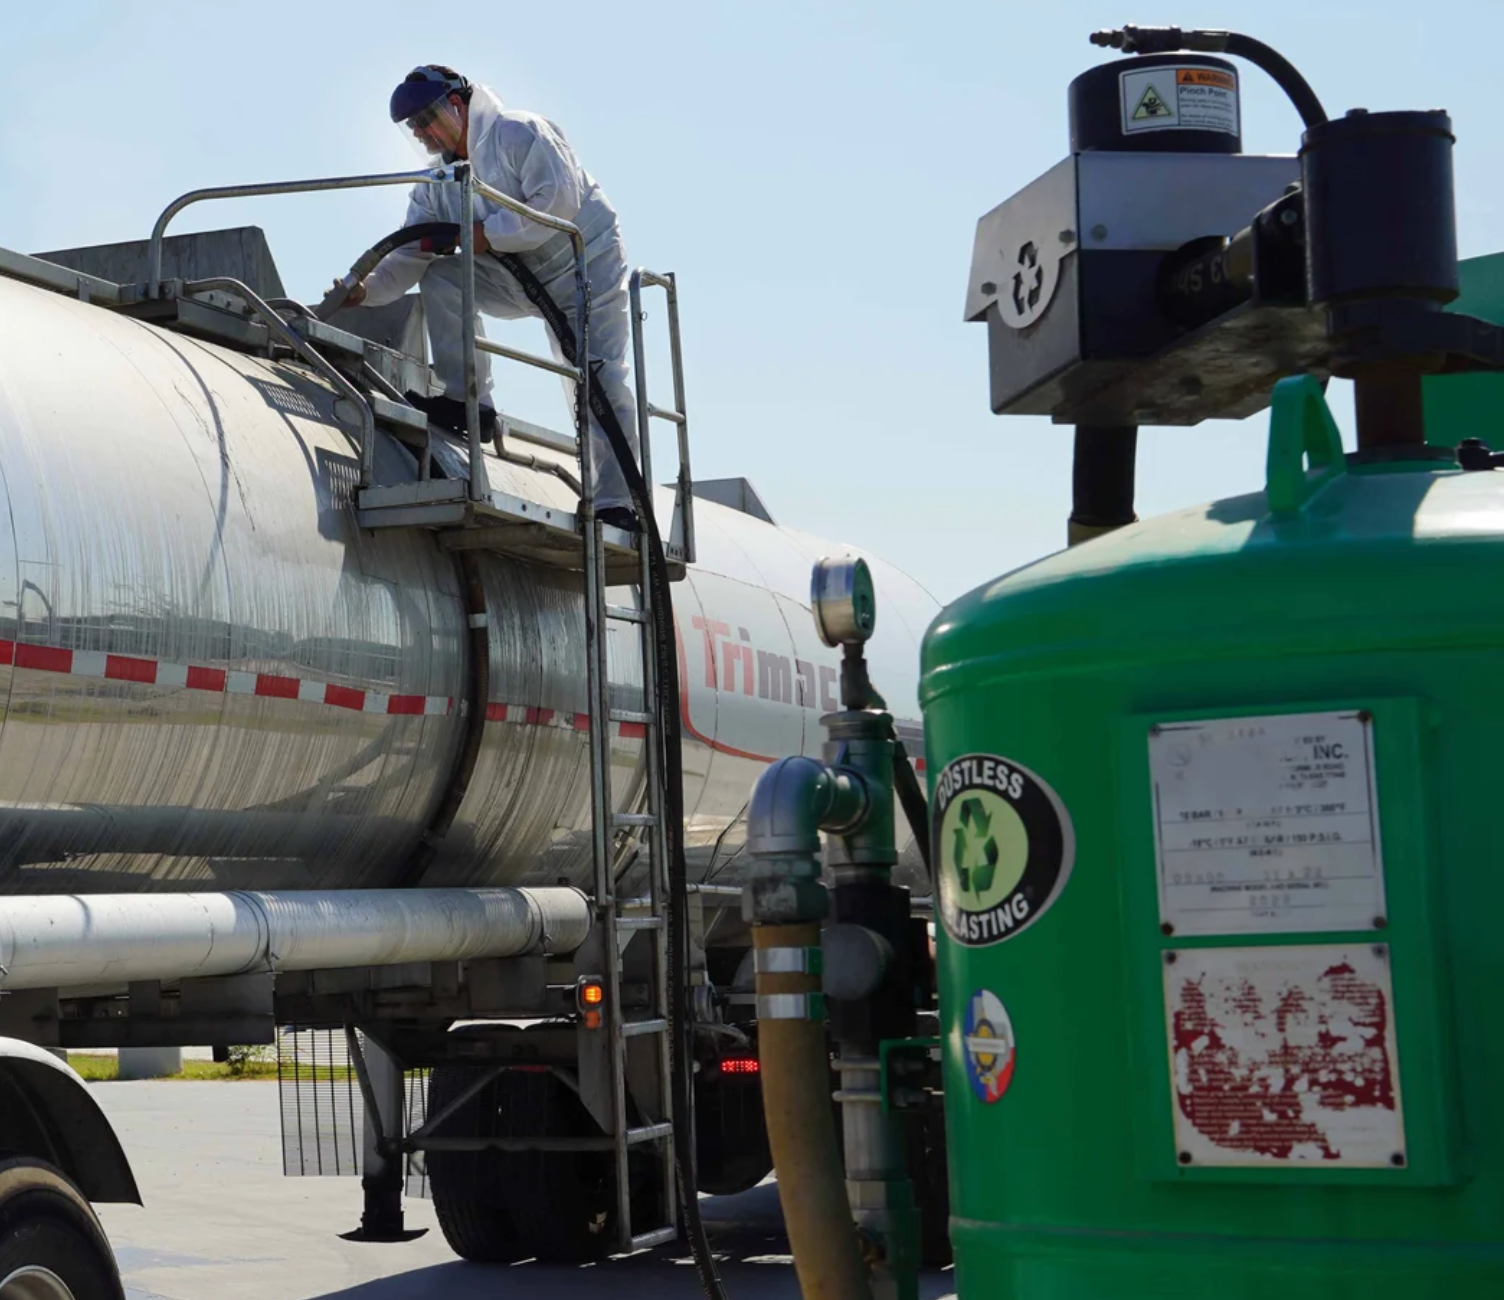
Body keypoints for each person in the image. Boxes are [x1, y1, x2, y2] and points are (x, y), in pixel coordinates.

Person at [341, 65, 641, 530]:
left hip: (585, 266)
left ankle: (618, 504)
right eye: (413, 127)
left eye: (427, 119)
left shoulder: (519, 134)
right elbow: (409, 251)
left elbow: (556, 204)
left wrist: (484, 234)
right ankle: (468, 402)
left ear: (457, 105)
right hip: (518, 276)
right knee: (443, 276)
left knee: (598, 378)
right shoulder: (435, 185)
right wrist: (366, 289)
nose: (422, 133)